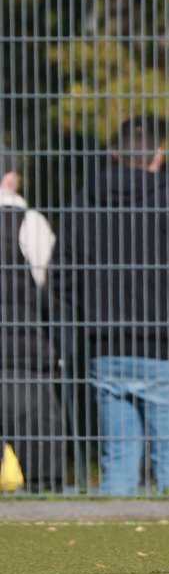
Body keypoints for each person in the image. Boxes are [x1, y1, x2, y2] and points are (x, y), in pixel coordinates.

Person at [55, 116, 169, 495]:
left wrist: (92, 313)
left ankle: (109, 550)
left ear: (114, 153)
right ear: (159, 155)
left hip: (107, 347)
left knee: (118, 468)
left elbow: (61, 277)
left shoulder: (83, 203)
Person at [0, 143, 67, 492]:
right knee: (44, 471)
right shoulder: (29, 222)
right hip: (25, 360)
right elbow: (51, 289)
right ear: (11, 176)